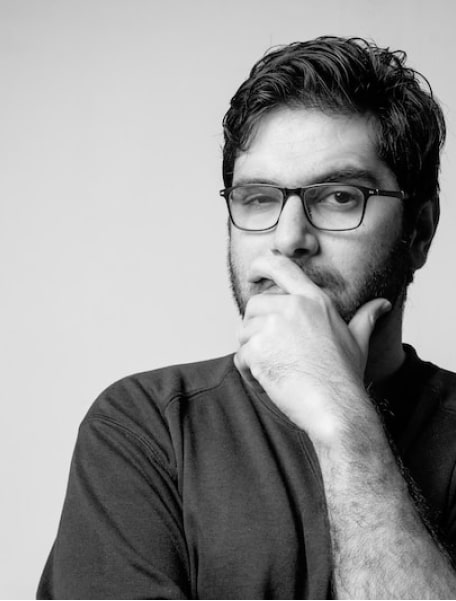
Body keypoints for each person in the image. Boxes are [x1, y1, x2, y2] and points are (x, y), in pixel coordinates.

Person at [37, 36, 456, 599]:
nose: (288, 238)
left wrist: (344, 426)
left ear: (419, 232)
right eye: (258, 198)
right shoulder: (146, 428)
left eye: (339, 196)